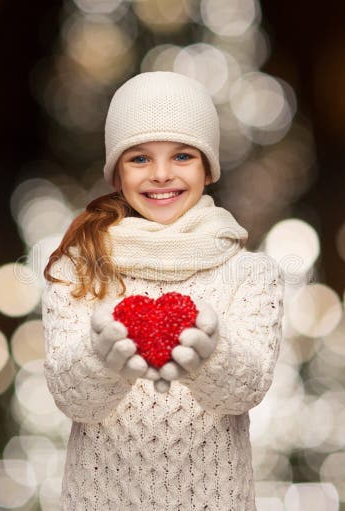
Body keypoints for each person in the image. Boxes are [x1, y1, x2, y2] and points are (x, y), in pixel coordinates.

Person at [42, 71, 285, 510]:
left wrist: (212, 352)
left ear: (207, 167)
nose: (160, 175)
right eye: (139, 158)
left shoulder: (251, 273)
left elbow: (247, 389)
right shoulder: (78, 269)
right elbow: (71, 397)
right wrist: (102, 357)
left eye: (182, 156)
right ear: (117, 172)